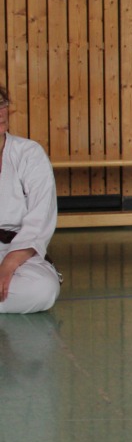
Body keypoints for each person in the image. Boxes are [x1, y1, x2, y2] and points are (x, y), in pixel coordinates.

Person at [0, 86, 61, 313]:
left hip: (18, 248)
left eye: (2, 104)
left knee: (42, 290)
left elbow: (40, 218)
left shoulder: (29, 153)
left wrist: (9, 264)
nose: (0, 112)